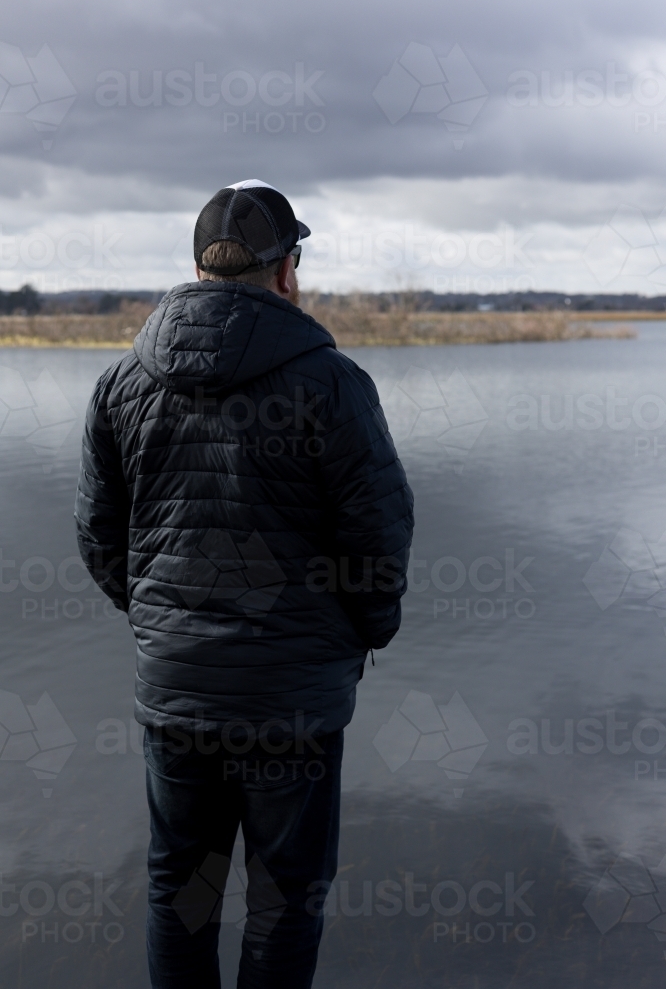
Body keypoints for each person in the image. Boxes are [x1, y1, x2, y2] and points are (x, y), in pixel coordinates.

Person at [74, 179, 414, 988]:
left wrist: (164, 623)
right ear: (286, 271)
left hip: (179, 689)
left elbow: (98, 536)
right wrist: (363, 631)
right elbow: (378, 540)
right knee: (286, 901)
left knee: (178, 894)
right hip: (293, 699)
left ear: (198, 269)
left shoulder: (122, 383)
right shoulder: (331, 383)